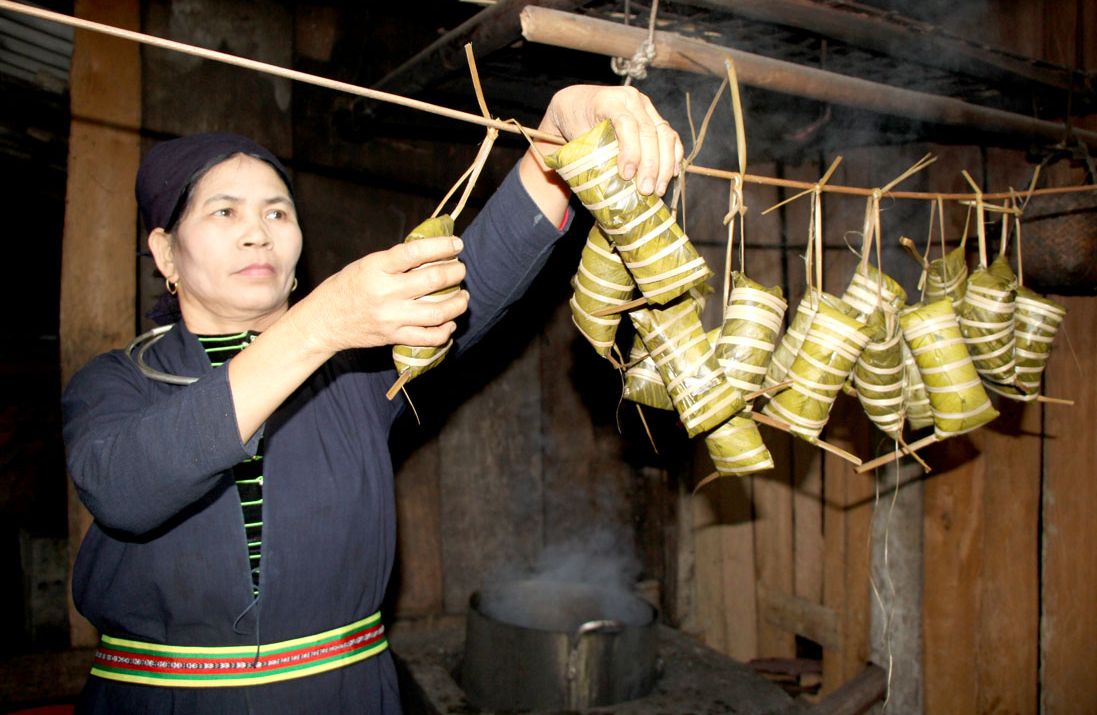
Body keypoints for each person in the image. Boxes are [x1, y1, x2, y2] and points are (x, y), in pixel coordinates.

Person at [62, 85, 683, 714]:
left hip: (345, 697)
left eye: (278, 212)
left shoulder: (354, 374)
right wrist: (319, 324)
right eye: (224, 213)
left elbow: (481, 272)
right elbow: (126, 489)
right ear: (165, 250)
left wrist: (556, 132)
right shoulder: (116, 383)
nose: (258, 233)